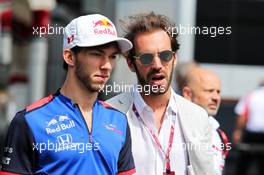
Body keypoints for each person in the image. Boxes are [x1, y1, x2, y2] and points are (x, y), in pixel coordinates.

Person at [0, 14, 135, 175]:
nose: (107, 65)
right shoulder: (29, 121)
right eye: (96, 54)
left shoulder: (119, 120)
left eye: (113, 57)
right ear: (70, 57)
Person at [106, 12, 216, 175]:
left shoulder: (197, 117)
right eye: (146, 58)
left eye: (165, 56)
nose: (157, 65)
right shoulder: (109, 113)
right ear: (131, 64)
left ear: (174, 58)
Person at [181, 67, 230, 175]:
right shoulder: (174, 127)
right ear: (188, 94)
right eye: (209, 91)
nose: (216, 97)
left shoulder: (219, 135)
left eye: (218, 92)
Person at [232, 80, 264, 175]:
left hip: (251, 135)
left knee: (243, 164)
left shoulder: (250, 95)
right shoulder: (250, 95)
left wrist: (238, 131)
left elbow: (242, 115)